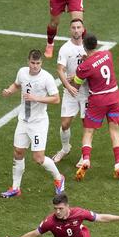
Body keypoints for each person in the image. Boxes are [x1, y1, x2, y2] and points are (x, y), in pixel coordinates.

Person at [0, 49, 64, 198]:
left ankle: (59, 178)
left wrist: (36, 98)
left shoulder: (46, 78)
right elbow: (17, 85)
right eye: (33, 63)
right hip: (23, 120)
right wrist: (9, 91)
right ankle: (15, 187)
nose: (35, 66)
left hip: (38, 124)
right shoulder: (22, 72)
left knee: (38, 158)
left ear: (41, 62)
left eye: (38, 63)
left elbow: (56, 99)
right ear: (28, 61)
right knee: (18, 152)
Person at [73, 34, 119, 181]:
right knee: (114, 132)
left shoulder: (83, 67)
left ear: (84, 46)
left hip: (98, 100)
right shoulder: (108, 54)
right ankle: (118, 164)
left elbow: (76, 86)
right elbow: (98, 63)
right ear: (96, 45)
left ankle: (86, 159)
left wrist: (72, 78)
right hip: (114, 97)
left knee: (88, 132)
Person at [52, 19, 89, 168]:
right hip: (70, 92)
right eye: (73, 27)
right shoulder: (65, 48)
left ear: (83, 29)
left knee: (86, 125)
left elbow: (94, 65)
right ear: (70, 30)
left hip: (86, 92)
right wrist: (67, 85)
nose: (76, 30)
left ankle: (84, 155)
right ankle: (65, 148)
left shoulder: (88, 46)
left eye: (78, 27)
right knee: (65, 123)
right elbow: (60, 69)